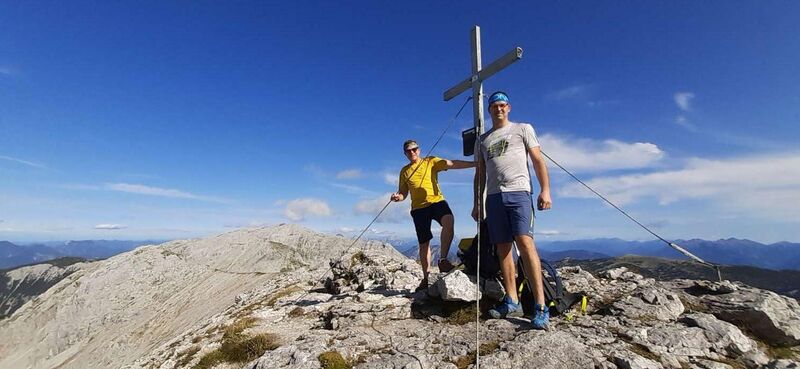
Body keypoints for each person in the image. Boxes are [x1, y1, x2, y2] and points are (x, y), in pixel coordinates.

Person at [472, 91, 553, 330]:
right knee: (503, 248)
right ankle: (511, 300)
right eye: (494, 106)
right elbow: (480, 174)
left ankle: (540, 305)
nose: (498, 109)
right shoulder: (482, 140)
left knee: (525, 243)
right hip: (494, 197)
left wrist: (545, 190)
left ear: (508, 107)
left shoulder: (522, 129)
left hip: (519, 193)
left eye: (502, 105)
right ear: (489, 110)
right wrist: (477, 203)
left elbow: (537, 160)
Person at [391, 139, 475, 291]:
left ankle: (443, 260)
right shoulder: (404, 171)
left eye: (414, 149)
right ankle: (426, 278)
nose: (412, 152)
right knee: (424, 244)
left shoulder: (431, 161)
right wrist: (398, 197)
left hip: (436, 201)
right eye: (408, 151)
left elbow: (452, 163)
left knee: (448, 220)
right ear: (405, 154)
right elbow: (403, 192)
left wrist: (475, 164)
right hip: (418, 208)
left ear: (419, 150)